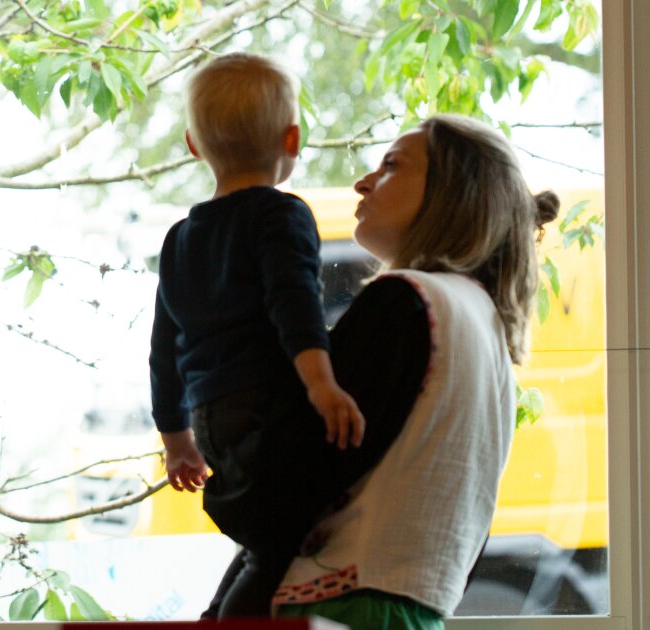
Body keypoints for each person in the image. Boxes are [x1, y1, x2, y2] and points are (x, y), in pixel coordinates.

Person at [271, 114, 561, 629]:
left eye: (391, 166)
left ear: (452, 194)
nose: (363, 183)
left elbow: (303, 470)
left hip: (345, 606)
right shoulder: (481, 317)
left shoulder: (405, 300)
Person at [148, 52, 366, 617]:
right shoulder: (282, 215)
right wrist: (321, 383)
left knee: (263, 539)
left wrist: (176, 439)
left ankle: (219, 618)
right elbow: (294, 305)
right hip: (270, 408)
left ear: (194, 146)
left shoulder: (180, 238)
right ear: (292, 139)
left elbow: (163, 349)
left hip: (210, 418)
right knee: (282, 541)